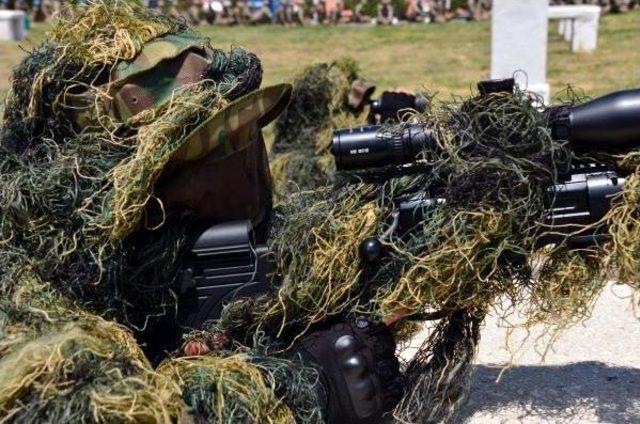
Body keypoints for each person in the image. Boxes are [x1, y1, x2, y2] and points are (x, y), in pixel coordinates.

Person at [0, 1, 400, 422]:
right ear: (125, 191)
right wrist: (297, 388)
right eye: (209, 151)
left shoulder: (180, 261)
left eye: (243, 135)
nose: (241, 164)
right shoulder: (29, 293)